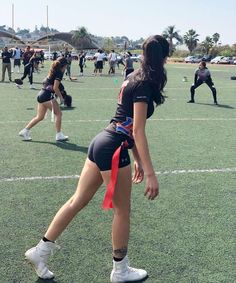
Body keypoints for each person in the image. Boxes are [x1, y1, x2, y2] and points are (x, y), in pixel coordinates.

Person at [24, 35, 169, 282]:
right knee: (122, 211)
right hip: (112, 147)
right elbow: (137, 129)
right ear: (163, 57)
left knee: (77, 200)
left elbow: (126, 122)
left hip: (102, 141)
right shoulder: (143, 83)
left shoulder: (132, 77)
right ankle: (120, 270)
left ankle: (40, 251)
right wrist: (149, 171)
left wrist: (136, 157)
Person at [18, 57, 69, 141]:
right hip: (46, 96)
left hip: (41, 95)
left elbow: (45, 82)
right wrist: (61, 98)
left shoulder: (52, 71)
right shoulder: (59, 73)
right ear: (63, 66)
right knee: (58, 114)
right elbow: (56, 88)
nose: (66, 68)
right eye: (66, 66)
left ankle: (25, 131)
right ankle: (59, 135)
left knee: (40, 117)